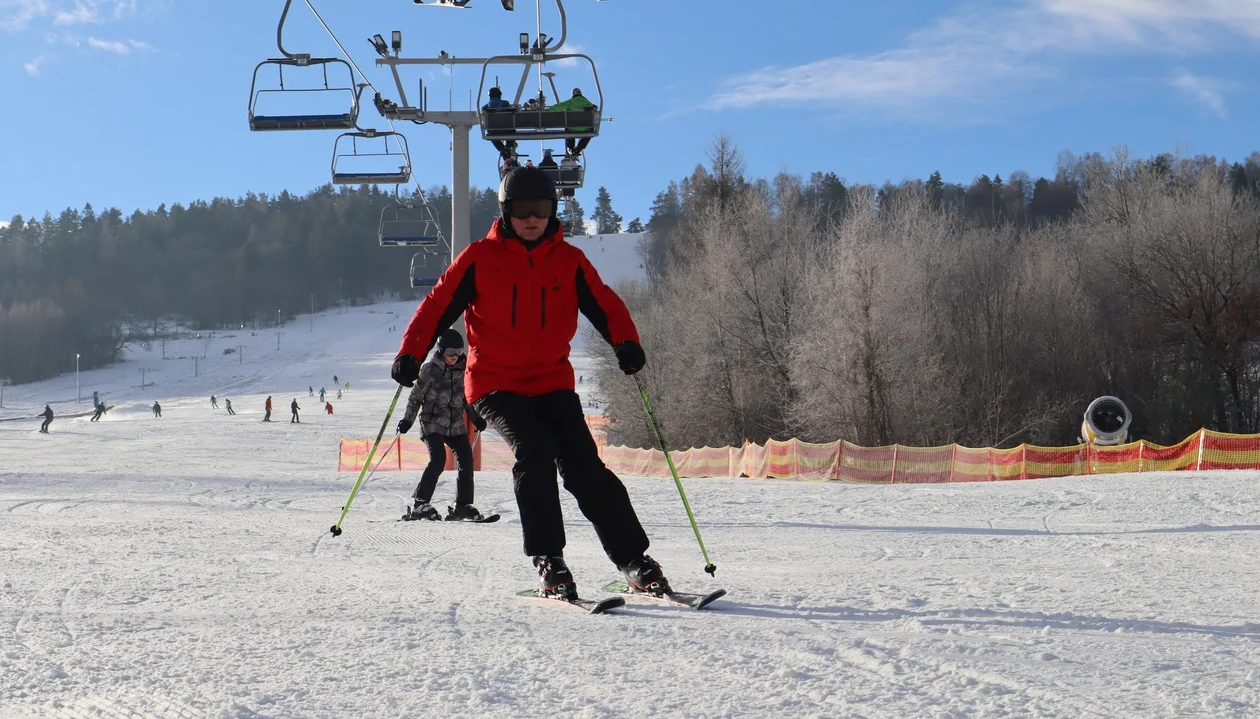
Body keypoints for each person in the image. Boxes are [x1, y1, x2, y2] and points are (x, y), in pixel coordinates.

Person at [392, 166, 661, 601]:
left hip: (552, 381)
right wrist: (411, 351)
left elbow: (603, 302)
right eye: (522, 210)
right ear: (506, 211)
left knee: (583, 465)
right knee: (534, 451)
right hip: (496, 384)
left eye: (540, 209)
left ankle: (633, 560)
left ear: (552, 211)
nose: (531, 218)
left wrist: (626, 343)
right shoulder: (479, 258)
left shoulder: (570, 260)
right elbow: (437, 303)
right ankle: (549, 560)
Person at [396, 329, 487, 522]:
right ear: (441, 351)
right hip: (432, 421)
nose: (454, 356)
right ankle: (421, 503)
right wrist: (407, 421)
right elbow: (415, 398)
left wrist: (476, 418)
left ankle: (463, 505)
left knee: (466, 460)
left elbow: (467, 399)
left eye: (459, 351)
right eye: (450, 352)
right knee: (438, 459)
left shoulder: (464, 370)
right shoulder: (430, 369)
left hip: (454, 423)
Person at [552, 88, 597, 159]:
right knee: (589, 133)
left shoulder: (570, 102)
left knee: (569, 132)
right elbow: (595, 112)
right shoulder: (589, 103)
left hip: (572, 127)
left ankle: (570, 148)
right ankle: (578, 149)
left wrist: (547, 110)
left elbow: (558, 107)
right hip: (586, 128)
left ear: (573, 94)